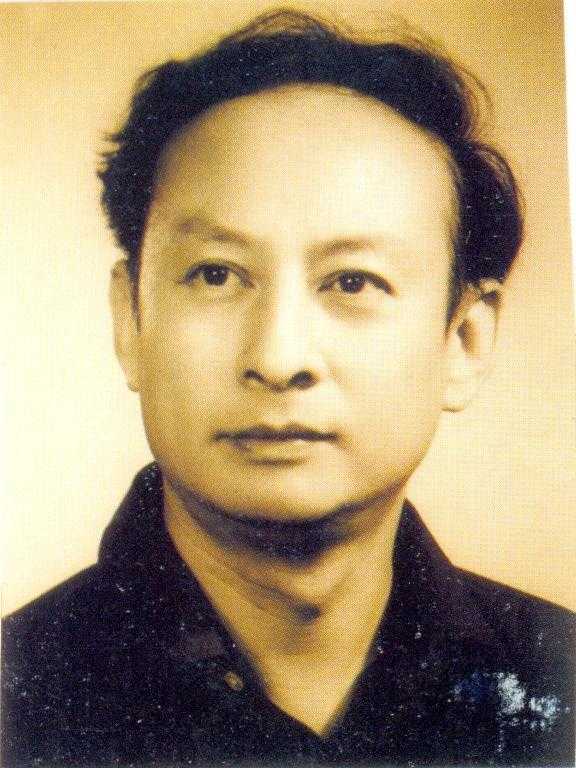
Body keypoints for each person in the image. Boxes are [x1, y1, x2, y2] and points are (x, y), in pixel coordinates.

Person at [2, 9, 574, 767]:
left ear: (463, 341)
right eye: (216, 275)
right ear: (130, 322)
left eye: (353, 281)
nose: (278, 358)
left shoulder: (558, 686)